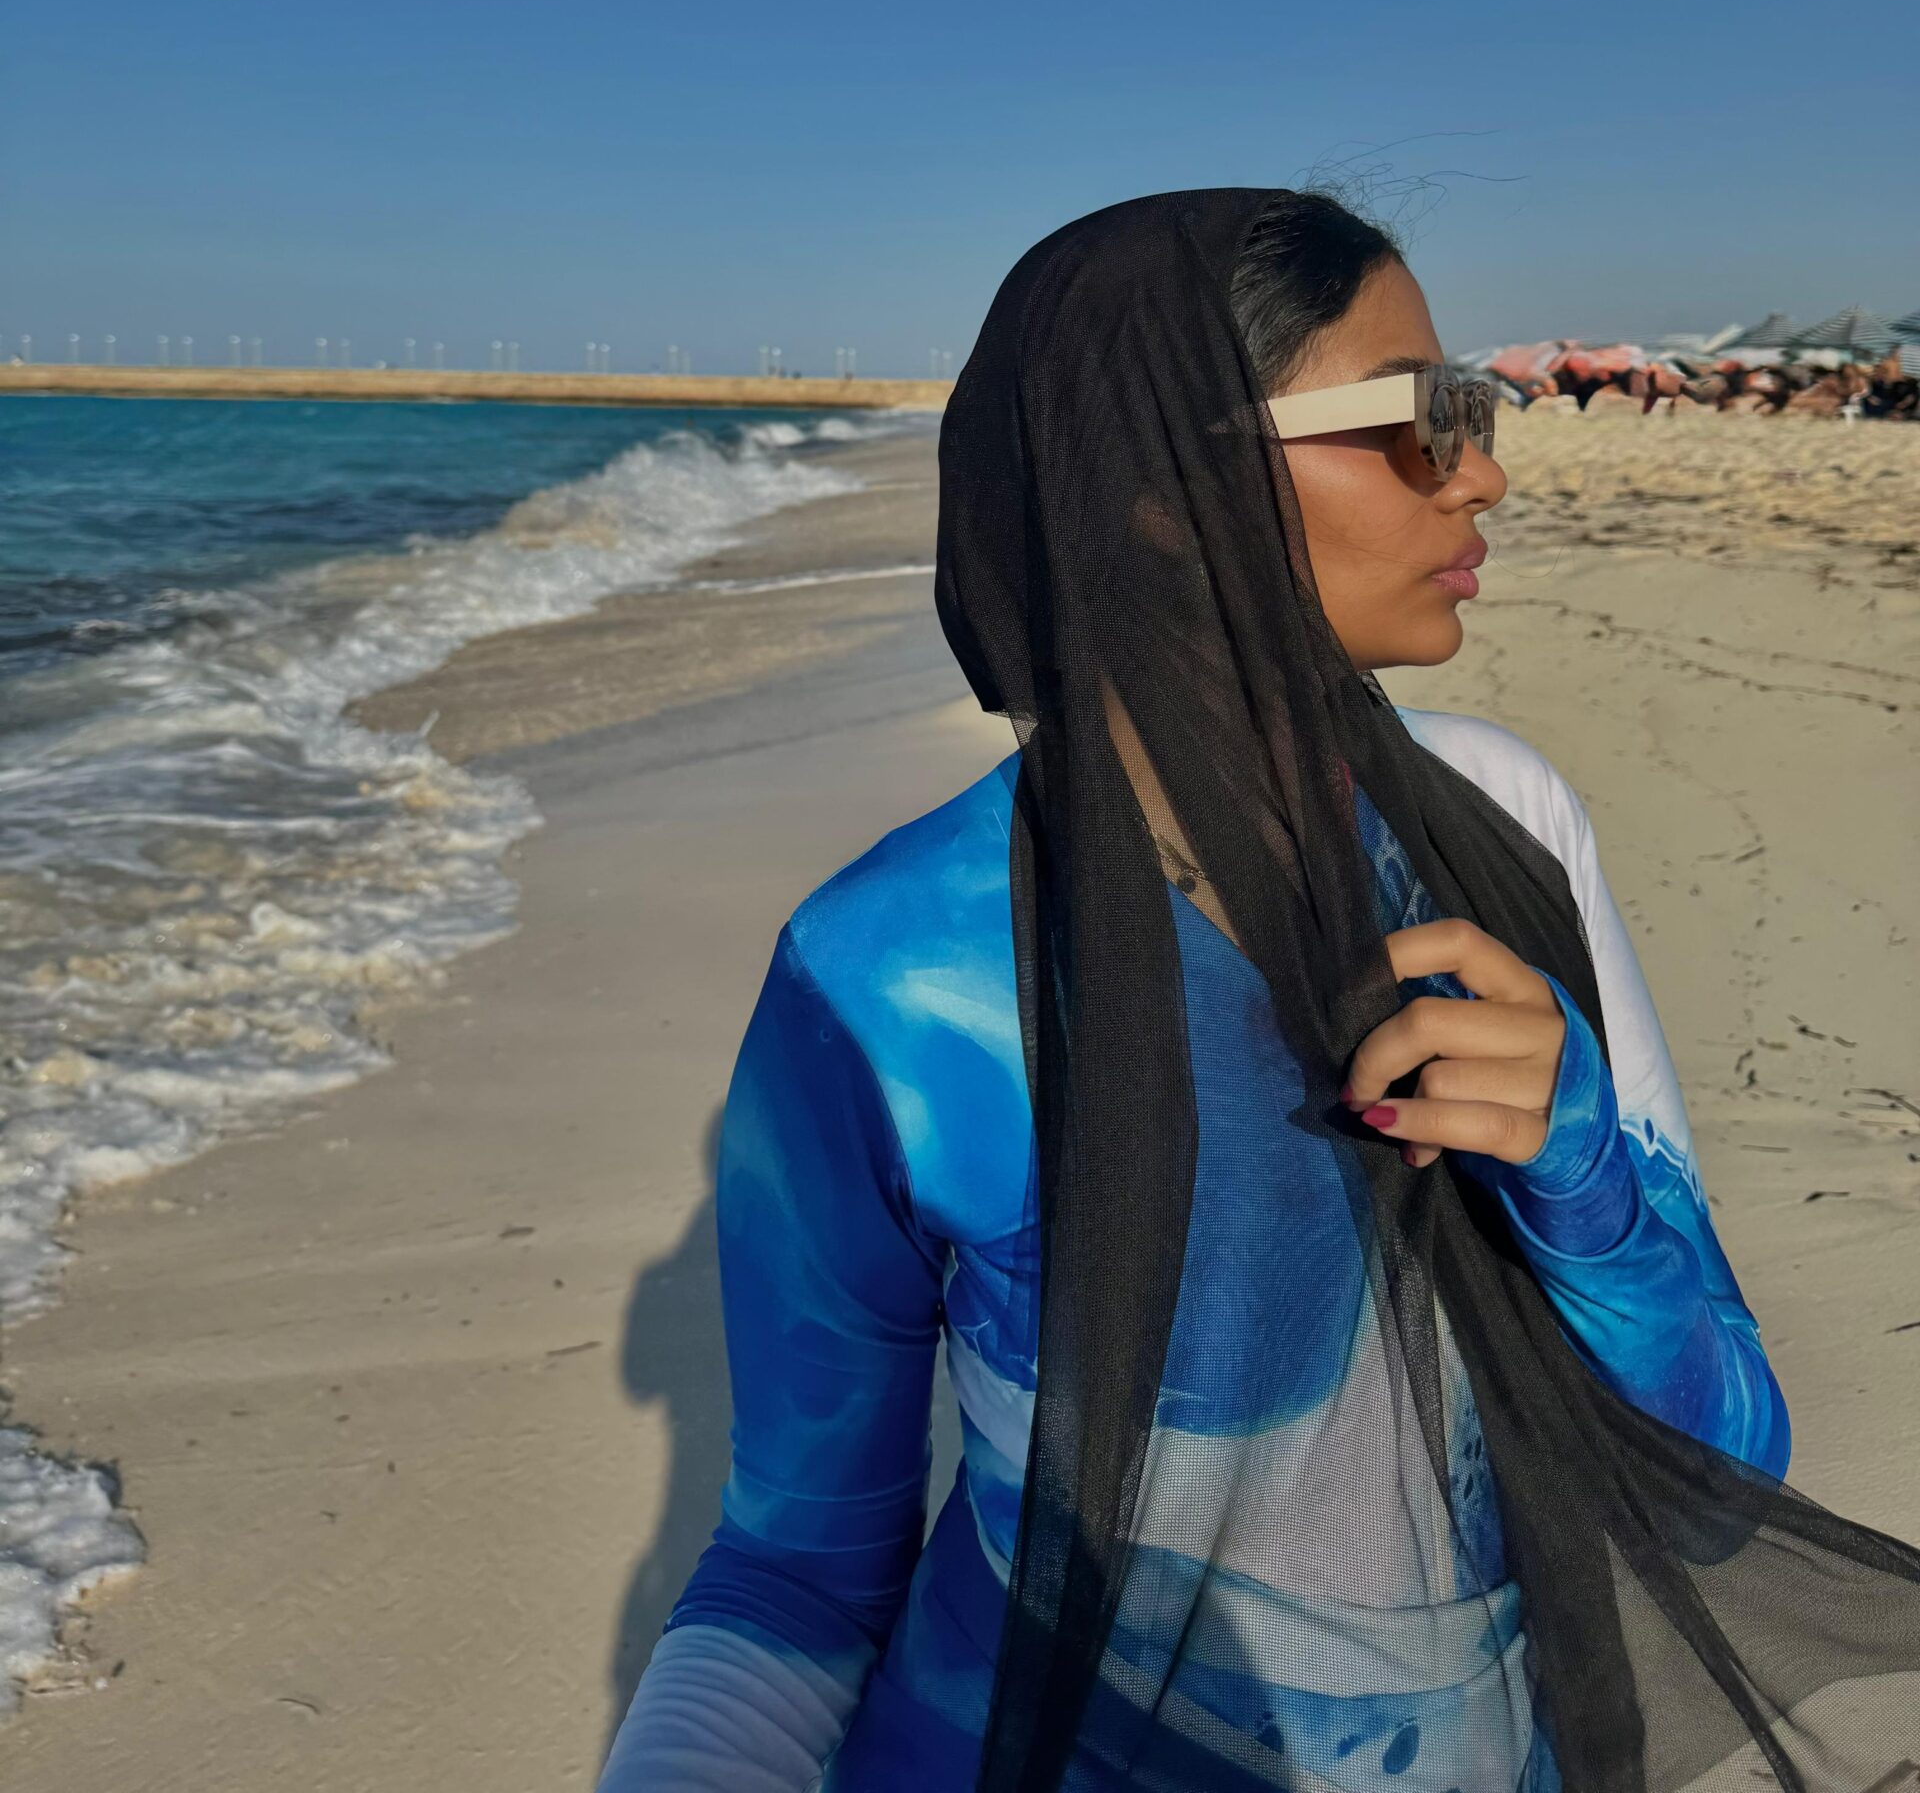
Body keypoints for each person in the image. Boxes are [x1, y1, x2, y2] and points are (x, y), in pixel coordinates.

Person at [600, 191, 1920, 1793]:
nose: (1484, 472)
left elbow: (1720, 1472)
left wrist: (1586, 1191)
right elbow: (798, 1575)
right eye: (1425, 419)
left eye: (1475, 411)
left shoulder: (1504, 833)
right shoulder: (888, 974)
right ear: (1168, 487)